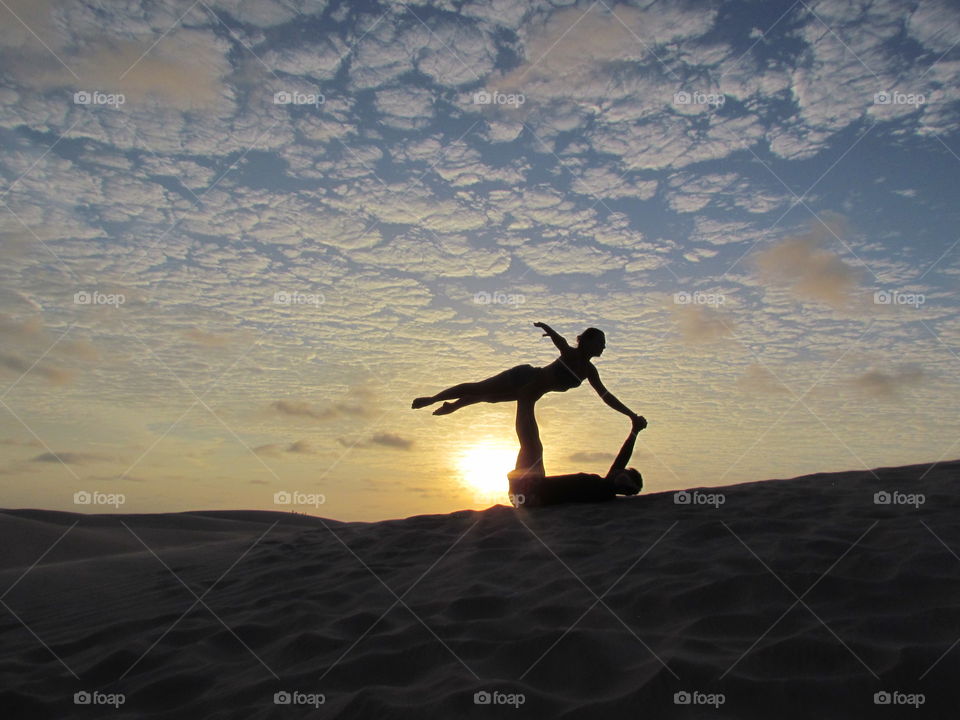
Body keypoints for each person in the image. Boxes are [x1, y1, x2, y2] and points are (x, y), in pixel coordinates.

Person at [411, 322, 641, 424]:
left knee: (486, 397)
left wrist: (631, 415)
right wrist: (547, 328)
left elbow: (606, 396)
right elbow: (561, 342)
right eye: (601, 342)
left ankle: (453, 406)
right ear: (588, 342)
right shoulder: (572, 354)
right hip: (523, 377)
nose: (604, 347)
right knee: (478, 388)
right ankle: (431, 399)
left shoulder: (590, 371)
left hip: (528, 393)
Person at [508, 410, 647, 508]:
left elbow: (622, 468)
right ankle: (526, 397)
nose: (617, 471)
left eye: (622, 473)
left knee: (532, 445)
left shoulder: (605, 491)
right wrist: (635, 432)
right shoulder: (604, 486)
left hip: (530, 493)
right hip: (529, 492)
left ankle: (526, 395)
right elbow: (621, 459)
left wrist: (629, 485)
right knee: (532, 444)